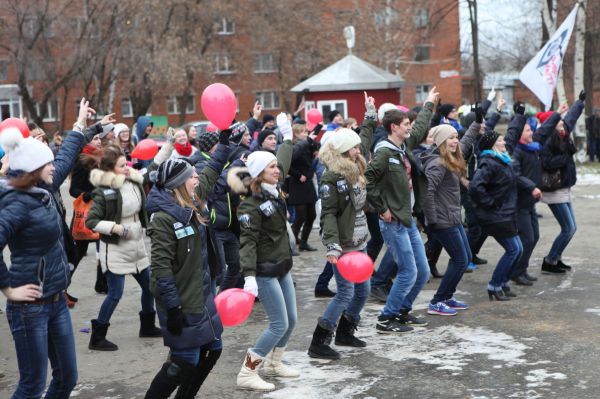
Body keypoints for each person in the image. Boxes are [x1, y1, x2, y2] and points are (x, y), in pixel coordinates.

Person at [0, 98, 99, 398]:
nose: (55, 167)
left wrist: (80, 125)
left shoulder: (43, 189)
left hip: (56, 300)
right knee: (31, 387)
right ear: (33, 168)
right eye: (49, 163)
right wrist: (8, 289)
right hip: (29, 308)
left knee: (67, 379)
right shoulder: (16, 203)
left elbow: (67, 155)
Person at [144, 128, 232, 398]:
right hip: (182, 299)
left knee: (213, 350)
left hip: (203, 293)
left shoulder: (192, 203)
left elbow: (211, 170)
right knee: (186, 359)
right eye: (192, 176)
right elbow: (161, 269)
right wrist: (172, 308)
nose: (197, 177)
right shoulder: (163, 218)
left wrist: (226, 145)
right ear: (179, 183)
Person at [230, 113, 296, 391]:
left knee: (291, 320)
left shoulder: (273, 189)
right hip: (265, 270)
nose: (277, 170)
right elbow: (247, 242)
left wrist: (288, 137)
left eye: (276, 167)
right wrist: (249, 276)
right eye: (271, 168)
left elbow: (284, 160)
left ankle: (274, 363)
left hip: (282, 266)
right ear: (259, 173)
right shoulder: (250, 205)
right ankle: (247, 371)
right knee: (278, 324)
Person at [308, 95, 376, 360]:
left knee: (364, 290)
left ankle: (346, 332)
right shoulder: (332, 177)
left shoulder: (356, 165)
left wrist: (370, 114)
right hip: (343, 242)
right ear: (343, 151)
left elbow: (365, 138)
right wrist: (333, 245)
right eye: (354, 148)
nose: (359, 151)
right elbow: (329, 214)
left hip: (360, 239)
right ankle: (319, 341)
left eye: (358, 148)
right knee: (345, 292)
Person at [365, 86, 438, 333]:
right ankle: (386, 318)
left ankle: (403, 310)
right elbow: (369, 180)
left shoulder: (402, 147)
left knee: (422, 271)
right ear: (394, 127)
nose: (410, 127)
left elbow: (419, 129)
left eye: (409, 123)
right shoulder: (384, 152)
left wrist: (429, 104)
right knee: (408, 271)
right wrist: (382, 208)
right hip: (393, 221)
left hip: (407, 220)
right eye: (405, 123)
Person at [85, 143, 170, 351]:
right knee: (115, 293)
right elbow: (91, 222)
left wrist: (168, 145)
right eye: (122, 165)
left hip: (136, 243)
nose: (127, 167)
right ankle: (97, 337)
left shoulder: (132, 178)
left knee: (149, 286)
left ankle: (147, 326)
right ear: (110, 168)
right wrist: (118, 229)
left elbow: (151, 171)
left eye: (126, 163)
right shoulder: (104, 191)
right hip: (115, 247)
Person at [421, 118, 480, 316]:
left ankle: (447, 296)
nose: (455, 141)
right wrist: (432, 220)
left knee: (466, 257)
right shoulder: (438, 164)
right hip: (442, 220)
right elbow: (427, 193)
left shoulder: (449, 157)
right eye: (451, 138)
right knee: (461, 260)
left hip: (452, 216)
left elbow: (465, 142)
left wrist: (477, 122)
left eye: (456, 137)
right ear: (441, 142)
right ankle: (437, 301)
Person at [469, 131, 522, 301]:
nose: (504, 142)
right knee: (513, 250)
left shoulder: (503, 161)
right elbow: (475, 187)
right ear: (492, 145)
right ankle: (494, 285)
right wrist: (490, 203)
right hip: (496, 216)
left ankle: (504, 282)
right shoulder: (488, 163)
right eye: (500, 140)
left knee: (518, 249)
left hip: (506, 213)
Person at [537, 92, 585, 274]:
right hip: (553, 189)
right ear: (550, 125)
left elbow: (571, 118)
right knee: (569, 228)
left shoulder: (563, 130)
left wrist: (580, 102)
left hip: (563, 187)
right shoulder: (547, 140)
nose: (562, 125)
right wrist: (566, 156)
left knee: (571, 227)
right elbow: (548, 163)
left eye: (560, 122)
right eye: (557, 123)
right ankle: (549, 261)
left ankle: (555, 258)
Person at [505, 102, 545, 285]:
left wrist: (560, 113)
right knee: (526, 239)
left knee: (534, 237)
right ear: (520, 135)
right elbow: (516, 175)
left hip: (529, 203)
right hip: (519, 203)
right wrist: (532, 187)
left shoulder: (533, 148)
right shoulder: (516, 153)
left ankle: (521, 269)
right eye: (528, 130)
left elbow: (548, 128)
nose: (532, 133)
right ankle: (514, 272)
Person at [69, 131, 107, 295]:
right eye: (95, 138)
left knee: (105, 248)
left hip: (102, 212)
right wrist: (88, 194)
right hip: (86, 214)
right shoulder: (82, 162)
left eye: (100, 138)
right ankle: (62, 284)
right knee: (77, 252)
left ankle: (102, 284)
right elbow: (73, 190)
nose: (99, 141)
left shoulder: (103, 159)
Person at [288, 122, 320, 251]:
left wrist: (313, 141)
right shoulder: (293, 147)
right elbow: (287, 165)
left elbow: (315, 150)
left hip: (308, 182)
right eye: (303, 132)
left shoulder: (307, 145)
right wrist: (297, 175)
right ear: (296, 134)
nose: (305, 134)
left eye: (306, 131)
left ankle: (304, 242)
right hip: (297, 184)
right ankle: (290, 244)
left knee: (311, 215)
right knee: (300, 217)